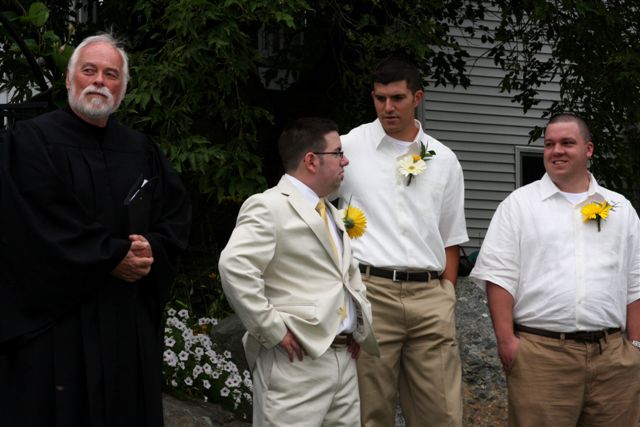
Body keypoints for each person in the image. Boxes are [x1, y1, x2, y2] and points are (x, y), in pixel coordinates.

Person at [0, 33, 191, 426]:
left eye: (111, 74)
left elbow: (174, 214)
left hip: (125, 322)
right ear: (70, 79)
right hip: (58, 324)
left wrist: (151, 248)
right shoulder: (31, 141)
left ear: (123, 88)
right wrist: (110, 257)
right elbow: (30, 222)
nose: (99, 81)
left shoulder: (141, 149)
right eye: (89, 70)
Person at [470, 113, 640, 426]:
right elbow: (499, 277)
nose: (556, 150)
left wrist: (636, 347)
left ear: (588, 149)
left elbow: (635, 281)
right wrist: (507, 342)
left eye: (567, 143)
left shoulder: (620, 209)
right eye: (549, 144)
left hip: (613, 360)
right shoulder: (519, 206)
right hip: (541, 357)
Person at [333, 58, 468, 426]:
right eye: (380, 98)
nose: (387, 108)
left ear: (417, 98)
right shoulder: (348, 147)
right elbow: (316, 208)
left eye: (397, 98)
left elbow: (451, 238)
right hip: (371, 292)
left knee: (442, 414)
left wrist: (446, 295)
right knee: (370, 412)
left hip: (430, 297)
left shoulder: (444, 159)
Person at [219, 117, 379, 426]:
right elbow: (234, 267)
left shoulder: (331, 211)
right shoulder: (268, 206)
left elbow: (346, 276)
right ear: (311, 161)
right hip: (295, 362)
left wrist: (358, 323)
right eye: (338, 152)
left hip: (345, 359)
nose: (345, 160)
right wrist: (272, 329)